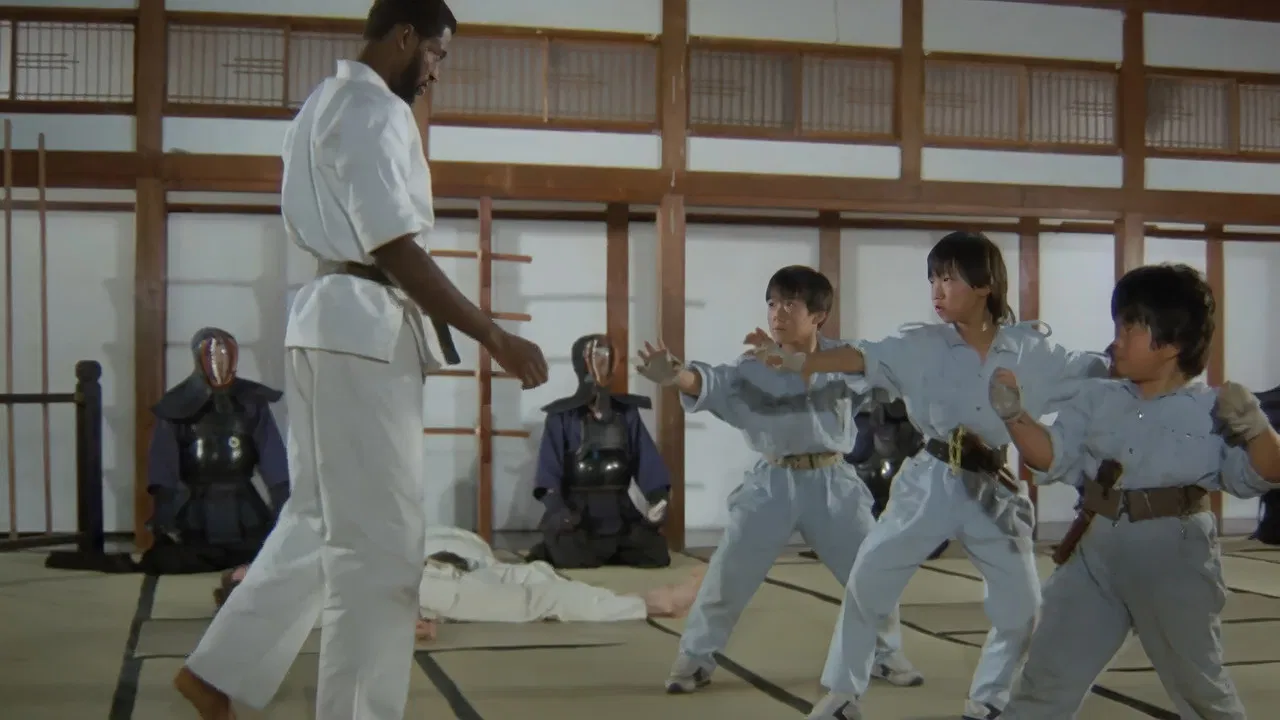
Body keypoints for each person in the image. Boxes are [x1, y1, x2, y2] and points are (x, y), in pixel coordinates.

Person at [172, 2, 550, 719]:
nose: (435, 72)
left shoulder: (320, 103)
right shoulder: (376, 109)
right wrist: (492, 335)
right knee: (382, 544)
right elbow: (395, 247)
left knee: (320, 518)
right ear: (404, 36)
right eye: (435, 54)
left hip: (325, 318)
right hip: (364, 326)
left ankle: (219, 670)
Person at [772, 232, 1109, 720]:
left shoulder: (1030, 350)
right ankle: (842, 694)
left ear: (984, 284)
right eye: (932, 279)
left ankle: (989, 700)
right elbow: (862, 356)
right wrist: (805, 360)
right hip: (930, 478)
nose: (936, 290)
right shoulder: (921, 345)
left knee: (1021, 606)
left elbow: (1094, 370)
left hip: (993, 485)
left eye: (948, 278)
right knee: (869, 579)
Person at [993, 263, 1280, 720]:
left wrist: (1257, 427)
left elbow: (1261, 474)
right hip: (1093, 551)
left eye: (1130, 328)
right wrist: (1014, 415)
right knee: (1043, 684)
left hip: (1174, 556)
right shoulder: (1095, 397)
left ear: (1172, 342)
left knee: (1200, 691)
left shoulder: (1211, 408)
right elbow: (1052, 455)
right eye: (1118, 327)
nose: (1116, 341)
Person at [634, 265, 924, 696]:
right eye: (772, 303)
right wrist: (678, 374)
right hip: (772, 482)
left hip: (833, 482)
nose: (777, 313)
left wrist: (798, 363)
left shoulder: (844, 357)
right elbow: (714, 383)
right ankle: (694, 659)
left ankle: (886, 653)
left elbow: (885, 373)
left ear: (818, 315)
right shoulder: (752, 366)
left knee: (871, 570)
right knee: (727, 577)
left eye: (790, 304)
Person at [215, 526, 704, 632]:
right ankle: (653, 603)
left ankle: (643, 598)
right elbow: (351, 617)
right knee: (538, 600)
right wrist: (405, 625)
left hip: (425, 562)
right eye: (247, 578)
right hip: (426, 591)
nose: (257, 570)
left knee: (529, 573)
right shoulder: (297, 605)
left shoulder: (299, 563)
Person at [140, 328, 289, 575]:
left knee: (267, 553)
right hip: (196, 505)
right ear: (198, 359)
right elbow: (164, 462)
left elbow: (271, 454)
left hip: (244, 503)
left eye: (225, 353)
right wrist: (164, 510)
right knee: (170, 558)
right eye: (211, 355)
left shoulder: (251, 401)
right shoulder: (176, 404)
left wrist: (282, 499)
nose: (220, 361)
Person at [526, 333, 672, 569]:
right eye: (598, 356)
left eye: (609, 356)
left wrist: (658, 498)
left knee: (656, 555)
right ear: (581, 363)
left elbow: (646, 460)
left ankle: (609, 549)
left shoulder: (627, 413)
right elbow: (548, 471)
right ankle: (556, 547)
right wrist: (558, 509)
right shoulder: (561, 416)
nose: (604, 363)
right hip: (578, 512)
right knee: (571, 554)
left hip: (619, 509)